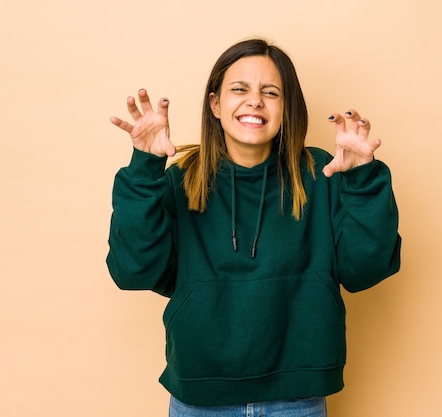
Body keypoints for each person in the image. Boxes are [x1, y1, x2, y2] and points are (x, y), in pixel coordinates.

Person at [106, 38, 401, 417]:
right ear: (215, 104)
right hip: (201, 397)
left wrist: (362, 177)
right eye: (239, 89)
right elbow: (133, 271)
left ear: (286, 107)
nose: (255, 101)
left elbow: (366, 269)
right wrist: (144, 167)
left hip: (298, 399)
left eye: (271, 92)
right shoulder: (181, 181)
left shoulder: (322, 173)